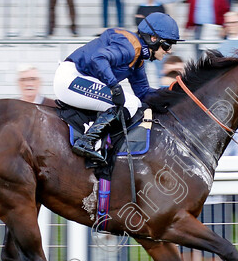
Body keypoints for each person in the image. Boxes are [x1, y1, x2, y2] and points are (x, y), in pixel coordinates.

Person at [53, 12, 181, 165]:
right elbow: (98, 58)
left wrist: (175, 92)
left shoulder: (138, 57)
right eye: (167, 45)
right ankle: (86, 141)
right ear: (153, 39)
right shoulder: (130, 47)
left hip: (77, 78)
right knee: (130, 103)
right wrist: (114, 86)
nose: (169, 51)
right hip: (70, 79)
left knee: (135, 102)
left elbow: (144, 94)